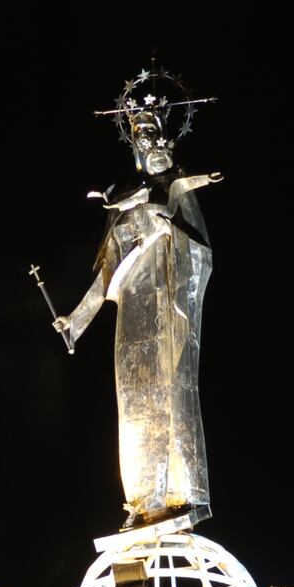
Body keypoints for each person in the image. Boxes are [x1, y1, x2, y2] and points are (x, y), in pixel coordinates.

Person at [54, 99, 221, 530]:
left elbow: (200, 252)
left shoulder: (178, 190)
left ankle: (181, 493)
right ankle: (144, 500)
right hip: (133, 316)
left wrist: (168, 226)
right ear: (135, 149)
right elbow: (107, 272)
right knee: (135, 404)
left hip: (168, 307)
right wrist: (76, 320)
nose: (148, 142)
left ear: (166, 139)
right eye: (140, 135)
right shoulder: (124, 203)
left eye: (153, 132)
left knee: (171, 394)